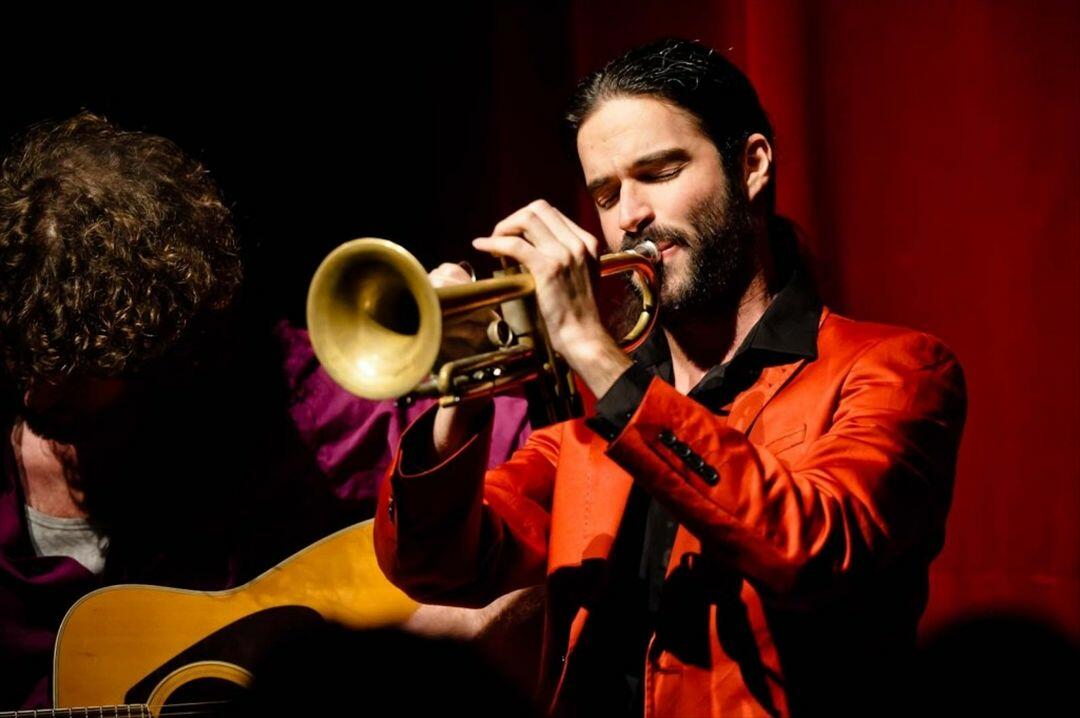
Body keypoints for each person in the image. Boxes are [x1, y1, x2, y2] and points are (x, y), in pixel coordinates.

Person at [373, 38, 967, 717]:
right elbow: (437, 565)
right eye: (606, 193)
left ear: (752, 165)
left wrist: (593, 352)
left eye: (658, 173)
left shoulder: (895, 368)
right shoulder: (589, 426)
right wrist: (463, 397)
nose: (630, 217)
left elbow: (812, 548)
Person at [0, 112, 532, 710]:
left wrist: (431, 650)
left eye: (76, 369)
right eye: (21, 356)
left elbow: (550, 495)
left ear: (157, 350)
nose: (35, 394)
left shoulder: (287, 404)